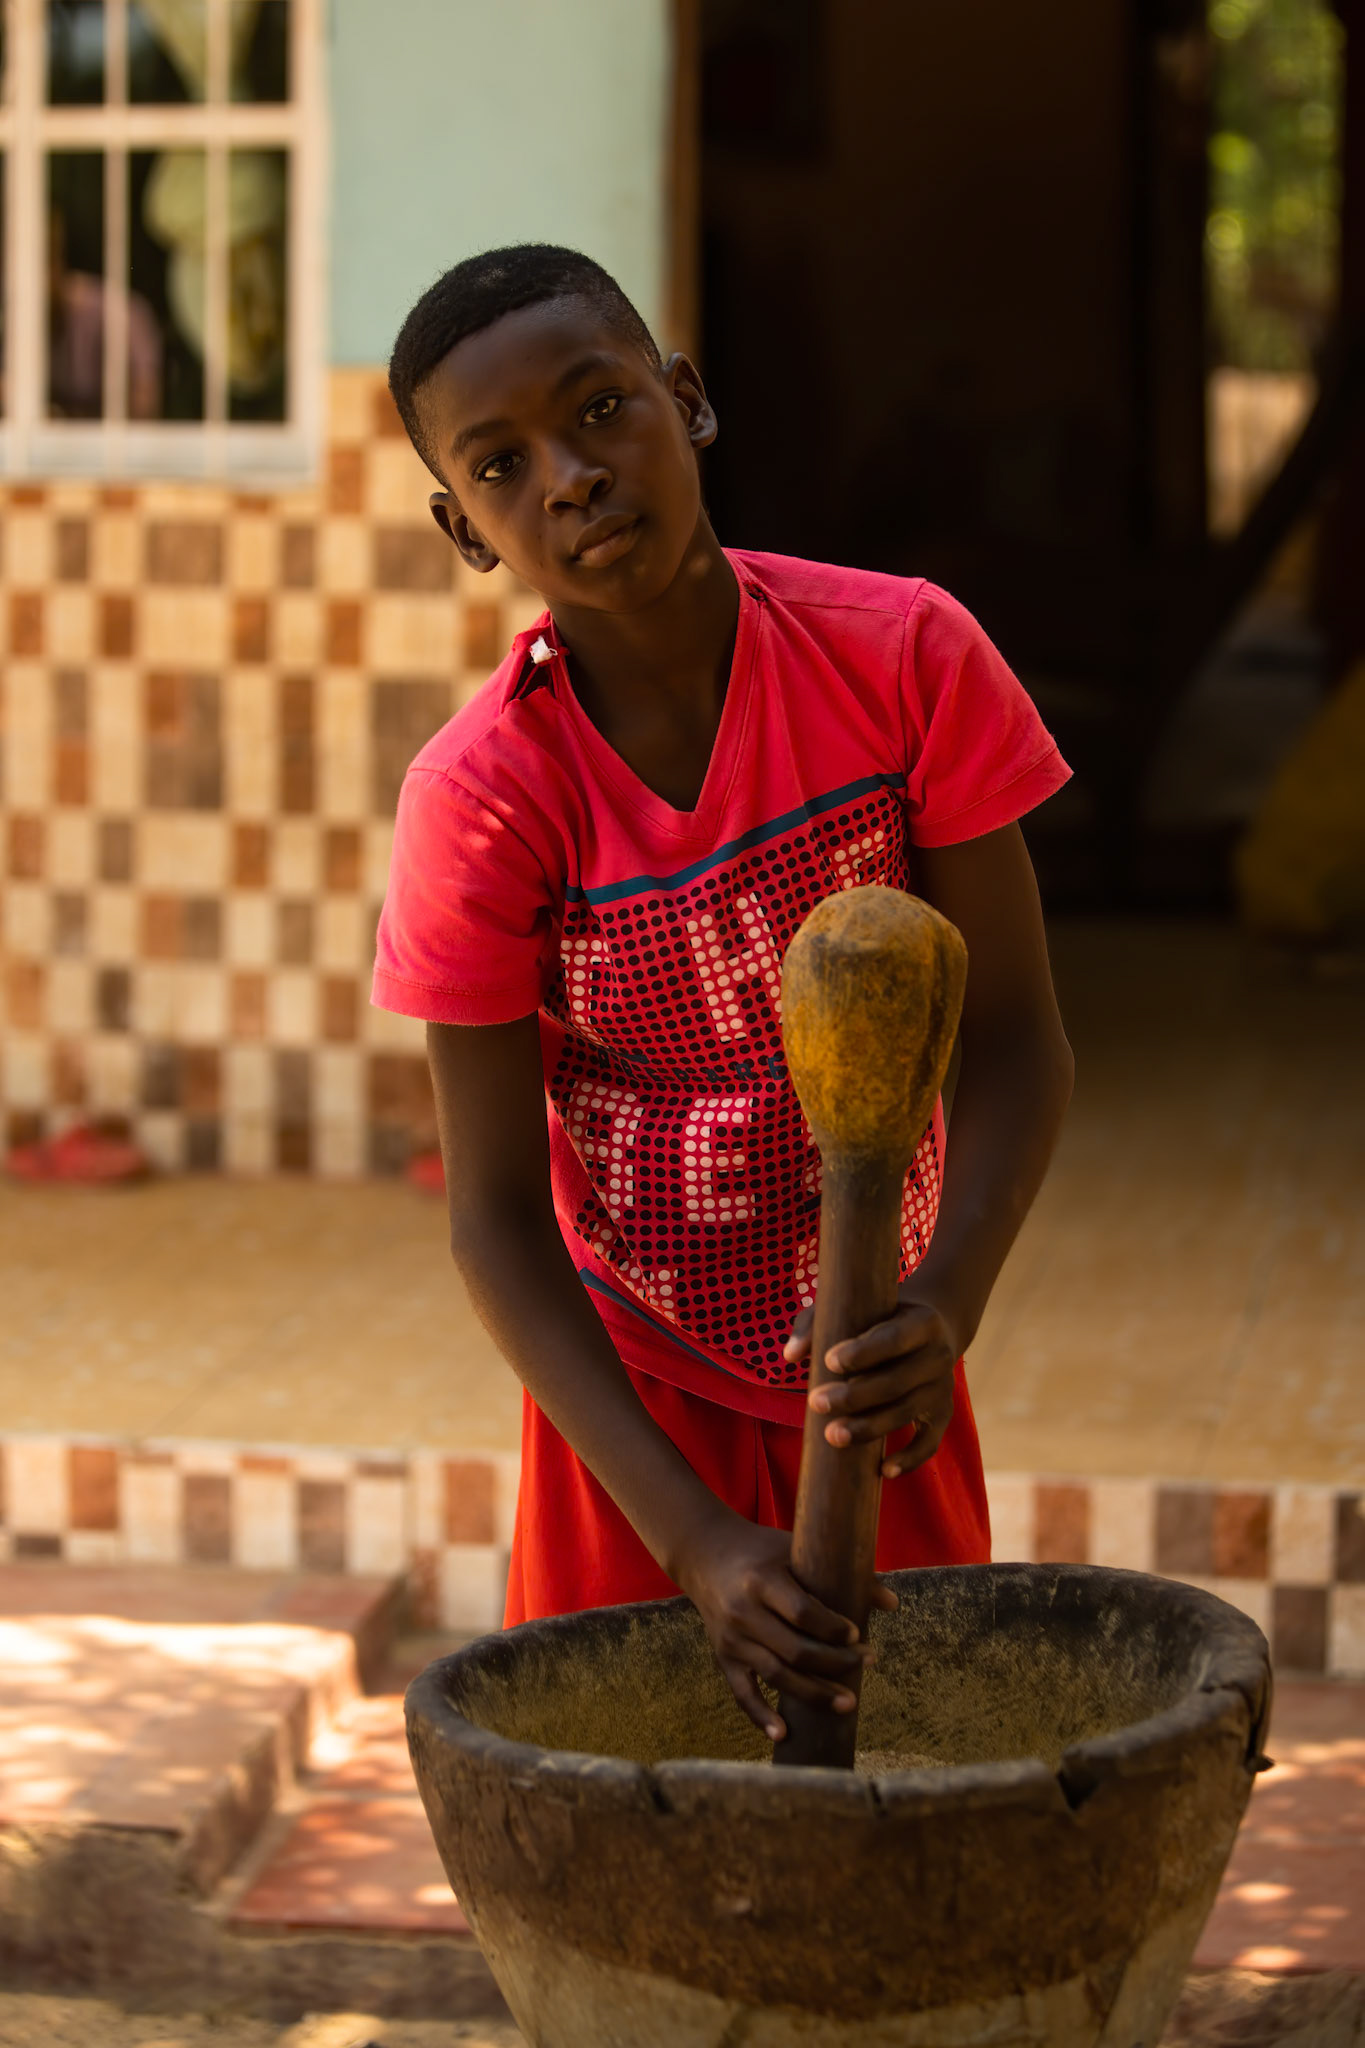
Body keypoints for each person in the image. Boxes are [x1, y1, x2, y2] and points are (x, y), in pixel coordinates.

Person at [374, 245, 1074, 1744]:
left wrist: (942, 1304)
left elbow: (1018, 1040)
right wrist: (691, 1540)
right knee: (627, 1816)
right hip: (630, 1411)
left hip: (879, 1373)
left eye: (599, 410)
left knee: (923, 1785)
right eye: (502, 465)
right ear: (465, 529)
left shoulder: (903, 659)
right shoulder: (484, 800)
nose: (570, 476)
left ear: (685, 402)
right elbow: (494, 1218)